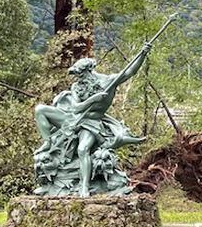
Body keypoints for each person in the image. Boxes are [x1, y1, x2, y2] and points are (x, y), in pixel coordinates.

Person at [35, 42, 152, 196]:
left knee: (83, 149)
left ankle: (84, 186)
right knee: (40, 110)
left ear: (89, 71)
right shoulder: (77, 86)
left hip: (92, 123)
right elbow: (76, 107)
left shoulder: (107, 81)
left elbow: (129, 72)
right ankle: (48, 142)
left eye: (80, 74)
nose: (78, 78)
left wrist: (142, 54)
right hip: (73, 118)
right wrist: (93, 99)